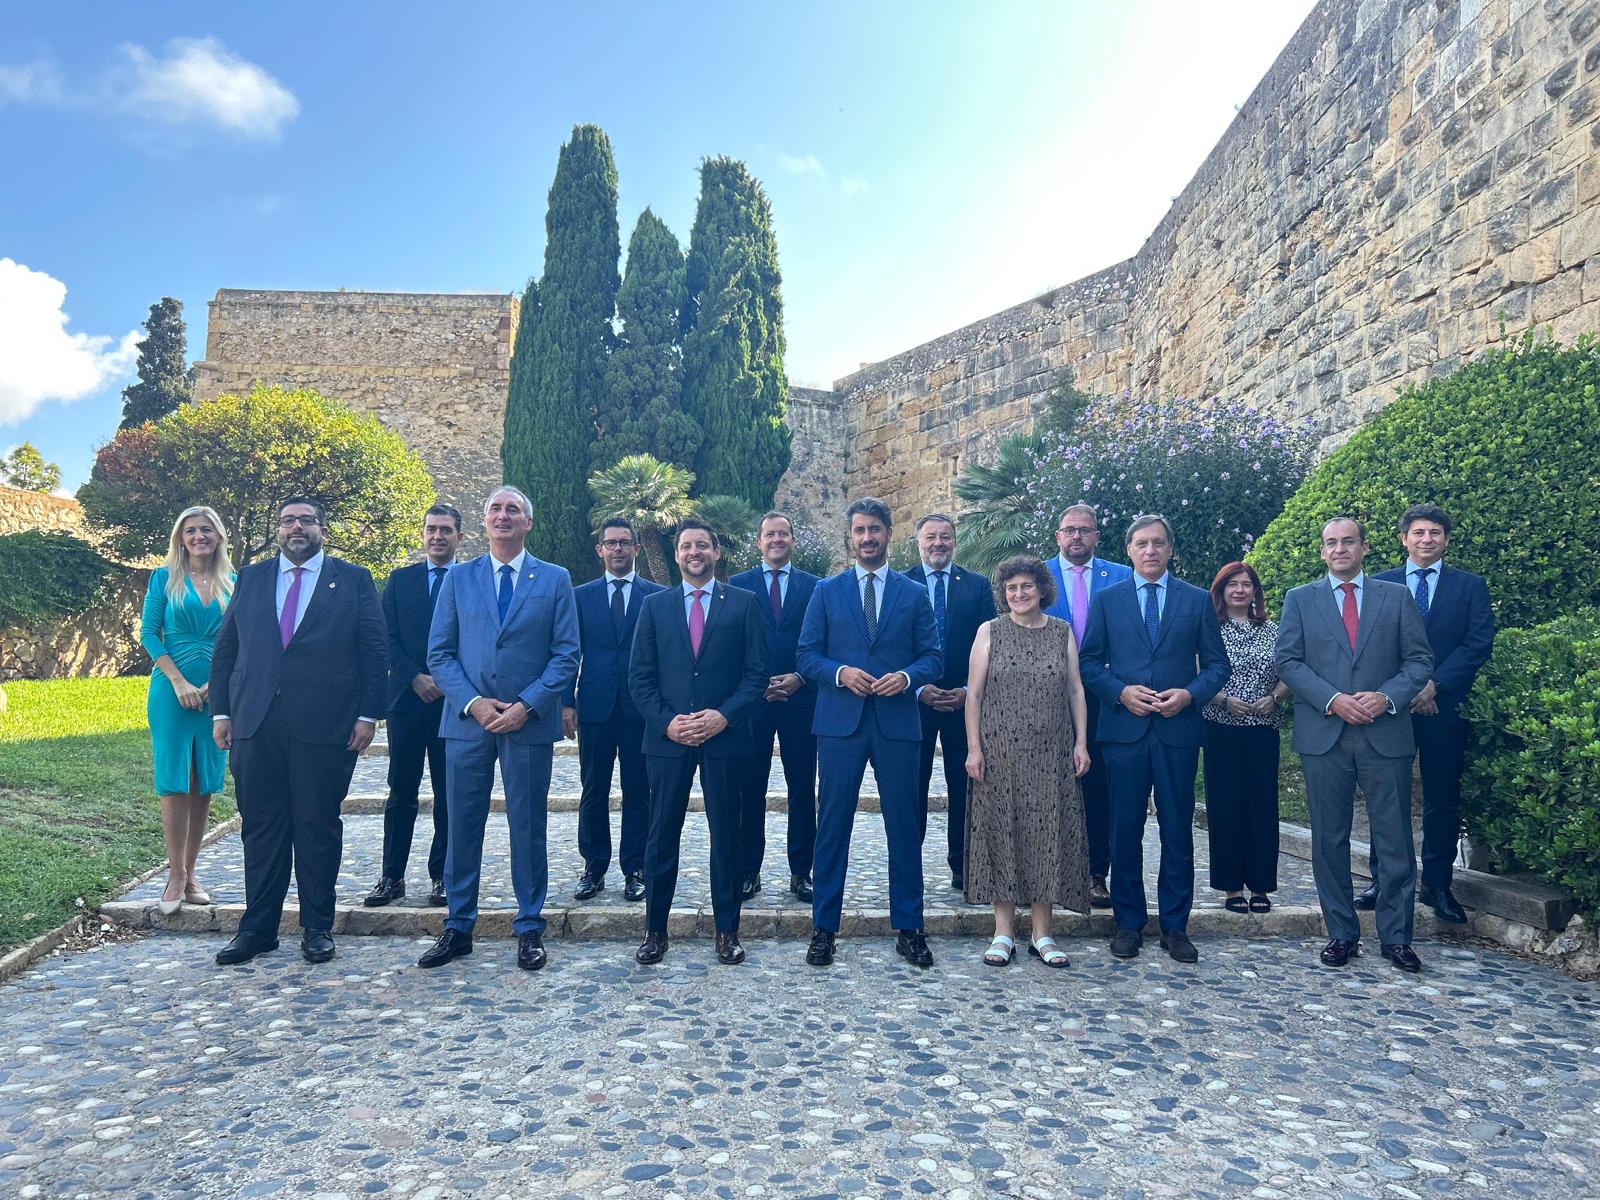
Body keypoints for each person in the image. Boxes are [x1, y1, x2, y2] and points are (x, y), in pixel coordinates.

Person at [210, 497, 388, 966]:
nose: (296, 527)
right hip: (255, 721)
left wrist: (368, 715)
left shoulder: (352, 579)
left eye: (306, 520)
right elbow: (227, 647)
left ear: (322, 530)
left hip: (325, 724)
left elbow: (375, 651)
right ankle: (258, 930)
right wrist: (221, 712)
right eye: (288, 520)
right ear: (278, 530)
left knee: (316, 824)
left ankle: (317, 927)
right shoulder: (251, 578)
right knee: (261, 827)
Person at [417, 486, 579, 972]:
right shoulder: (459, 578)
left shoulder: (554, 579)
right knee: (461, 824)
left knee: (527, 825)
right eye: (495, 509)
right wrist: (473, 703)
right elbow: (439, 653)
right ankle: (458, 925)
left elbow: (566, 653)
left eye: (513, 510)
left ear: (528, 522)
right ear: (485, 521)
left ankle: (529, 926)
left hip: (527, 724)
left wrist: (528, 705)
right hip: (468, 723)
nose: (503, 516)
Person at [1275, 517, 1433, 972]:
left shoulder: (1395, 597)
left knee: (1395, 838)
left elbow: (1419, 660)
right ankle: (1341, 932)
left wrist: (1386, 697)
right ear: (1322, 552)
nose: (1340, 548)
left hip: (1385, 733)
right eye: (1331, 543)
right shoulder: (1300, 599)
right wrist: (1332, 699)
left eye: (1348, 541)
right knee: (1329, 838)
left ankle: (1397, 937)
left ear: (1365, 548)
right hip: (1325, 734)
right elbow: (1288, 660)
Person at [797, 497, 943, 969]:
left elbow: (934, 657)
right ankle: (824, 928)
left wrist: (907, 677)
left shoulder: (913, 593)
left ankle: (910, 927)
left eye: (874, 529)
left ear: (888, 533)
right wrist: (840, 673)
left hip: (897, 724)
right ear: (850, 535)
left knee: (904, 826)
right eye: (859, 530)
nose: (867, 538)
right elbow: (806, 656)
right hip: (840, 725)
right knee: (832, 826)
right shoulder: (827, 591)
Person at [1078, 514, 1230, 964]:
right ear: (1128, 550)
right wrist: (1120, 692)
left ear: (1169, 549)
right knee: (1124, 828)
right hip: (1123, 733)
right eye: (1142, 543)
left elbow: (1217, 665)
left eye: (1158, 543)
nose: (1150, 551)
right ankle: (1128, 922)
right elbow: (1088, 663)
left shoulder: (1196, 599)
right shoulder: (1108, 600)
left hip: (1176, 732)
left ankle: (1175, 925)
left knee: (1177, 830)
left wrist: (1190, 695)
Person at [628, 518, 769, 966]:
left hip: (724, 739)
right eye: (686, 546)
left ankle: (727, 931)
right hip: (668, 740)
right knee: (660, 836)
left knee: (727, 835)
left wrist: (723, 716)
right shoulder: (654, 606)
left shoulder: (743, 603)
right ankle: (655, 931)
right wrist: (666, 722)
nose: (695, 552)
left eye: (702, 545)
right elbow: (640, 677)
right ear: (676, 555)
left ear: (716, 552)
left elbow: (756, 675)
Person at [1366, 504, 1494, 924]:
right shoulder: (1378, 584)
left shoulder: (1469, 586)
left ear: (1446, 540)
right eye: (1418, 532)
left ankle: (1437, 885)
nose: (1426, 539)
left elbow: (1477, 644)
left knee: (1442, 798)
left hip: (1444, 706)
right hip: (1391, 707)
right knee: (1387, 796)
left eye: (1435, 533)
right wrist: (1403, 691)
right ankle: (1383, 880)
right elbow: (1368, 646)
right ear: (1403, 539)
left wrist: (1434, 685)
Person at [964, 556, 1091, 968]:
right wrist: (974, 748)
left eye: (1027, 586)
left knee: (1047, 834)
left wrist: (1081, 743)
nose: (1019, 594)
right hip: (1000, 753)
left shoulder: (1062, 632)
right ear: (1004, 594)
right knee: (1002, 833)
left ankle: (1042, 933)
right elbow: (974, 694)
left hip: (1051, 753)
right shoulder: (990, 631)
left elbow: (1075, 690)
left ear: (1042, 590)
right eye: (1011, 587)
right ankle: (1002, 932)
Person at [364, 504, 464, 910]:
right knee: (401, 790)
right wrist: (414, 677)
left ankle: (443, 876)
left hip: (453, 703)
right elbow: (384, 636)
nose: (437, 536)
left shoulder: (470, 581)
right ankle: (392, 876)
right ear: (422, 534)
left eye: (446, 530)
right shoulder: (400, 580)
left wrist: (446, 681)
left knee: (448, 793)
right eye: (431, 529)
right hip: (406, 700)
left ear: (459, 537)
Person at [562, 518, 664, 904]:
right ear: (600, 550)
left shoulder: (656, 597)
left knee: (639, 789)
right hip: (595, 706)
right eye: (611, 543)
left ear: (637, 548)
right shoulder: (580, 596)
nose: (618, 549)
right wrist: (566, 702)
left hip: (641, 710)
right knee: (594, 789)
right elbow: (568, 652)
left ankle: (635, 867)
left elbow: (664, 655)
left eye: (624, 542)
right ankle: (594, 867)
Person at [140, 505, 236, 915]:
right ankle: (174, 874)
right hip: (171, 691)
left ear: (219, 536)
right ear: (181, 538)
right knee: (174, 781)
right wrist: (179, 682)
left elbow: (242, 639)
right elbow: (149, 633)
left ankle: (192, 873)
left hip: (217, 692)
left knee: (204, 782)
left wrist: (216, 685)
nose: (199, 536)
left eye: (206, 529)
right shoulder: (163, 578)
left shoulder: (234, 581)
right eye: (191, 530)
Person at [1043, 503, 1131, 908]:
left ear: (1096, 535)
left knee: (1098, 787)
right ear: (1058, 536)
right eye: (1069, 530)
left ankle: (1097, 872)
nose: (1077, 536)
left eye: (1085, 530)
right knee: (1048, 785)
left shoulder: (1123, 577)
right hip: (1047, 698)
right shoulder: (1037, 577)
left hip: (1104, 698)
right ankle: (1048, 871)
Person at [728, 512, 820, 902]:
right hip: (754, 703)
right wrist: (756, 685)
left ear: (793, 540)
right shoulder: (737, 585)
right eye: (770, 535)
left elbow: (823, 640)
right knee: (750, 788)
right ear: (759, 542)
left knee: (802, 787)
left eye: (783, 534)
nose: (777, 540)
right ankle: (749, 869)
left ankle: (802, 871)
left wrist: (800, 676)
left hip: (802, 699)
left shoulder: (815, 587)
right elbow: (730, 643)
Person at [905, 512, 995, 891]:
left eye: (945, 536)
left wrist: (967, 690)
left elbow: (990, 644)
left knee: (965, 786)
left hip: (963, 703)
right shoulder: (901, 583)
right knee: (912, 785)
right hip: (914, 702)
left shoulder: (977, 586)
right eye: (931, 537)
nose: (938, 543)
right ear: (918, 542)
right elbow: (893, 645)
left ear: (954, 541)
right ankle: (909, 865)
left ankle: (963, 865)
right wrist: (918, 688)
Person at [1201, 562, 1289, 914]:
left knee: (1262, 805)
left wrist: (1275, 698)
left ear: (1255, 591)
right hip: (1221, 725)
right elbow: (1196, 671)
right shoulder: (1208, 629)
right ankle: (1231, 886)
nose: (1239, 590)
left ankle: (1261, 885)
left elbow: (1291, 669)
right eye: (1232, 584)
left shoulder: (1273, 629)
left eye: (1246, 584)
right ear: (1221, 590)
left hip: (1262, 728)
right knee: (1225, 806)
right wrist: (1222, 700)